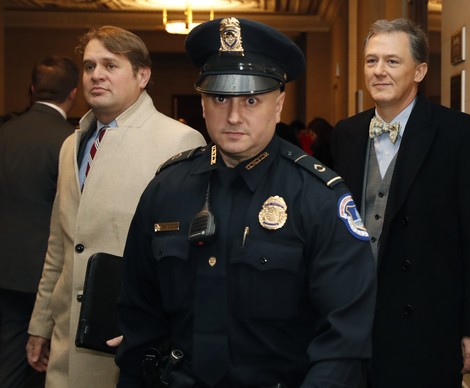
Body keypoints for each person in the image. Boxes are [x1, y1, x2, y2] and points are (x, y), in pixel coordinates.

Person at [115, 17, 377, 388]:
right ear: (203, 104)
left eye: (252, 99)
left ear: (279, 103)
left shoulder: (318, 197)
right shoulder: (166, 190)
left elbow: (343, 341)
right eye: (220, 98)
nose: (234, 116)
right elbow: (139, 321)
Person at [25, 26, 206, 388]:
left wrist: (159, 326)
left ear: (143, 75)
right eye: (89, 66)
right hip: (65, 340)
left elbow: (191, 257)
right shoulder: (70, 145)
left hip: (129, 340)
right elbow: (59, 246)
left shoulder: (179, 141)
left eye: (110, 65)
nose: (96, 75)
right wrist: (40, 325)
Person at [331, 18, 470, 387]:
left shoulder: (462, 133)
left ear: (420, 70)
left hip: (426, 319)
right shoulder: (346, 133)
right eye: (371, 61)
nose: (379, 71)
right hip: (355, 317)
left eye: (392, 61)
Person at [0, 55, 79, 388]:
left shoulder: (4, 132)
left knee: (9, 359)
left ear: (32, 90)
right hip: (48, 276)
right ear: (74, 93)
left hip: (5, 270)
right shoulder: (70, 141)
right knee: (50, 362)